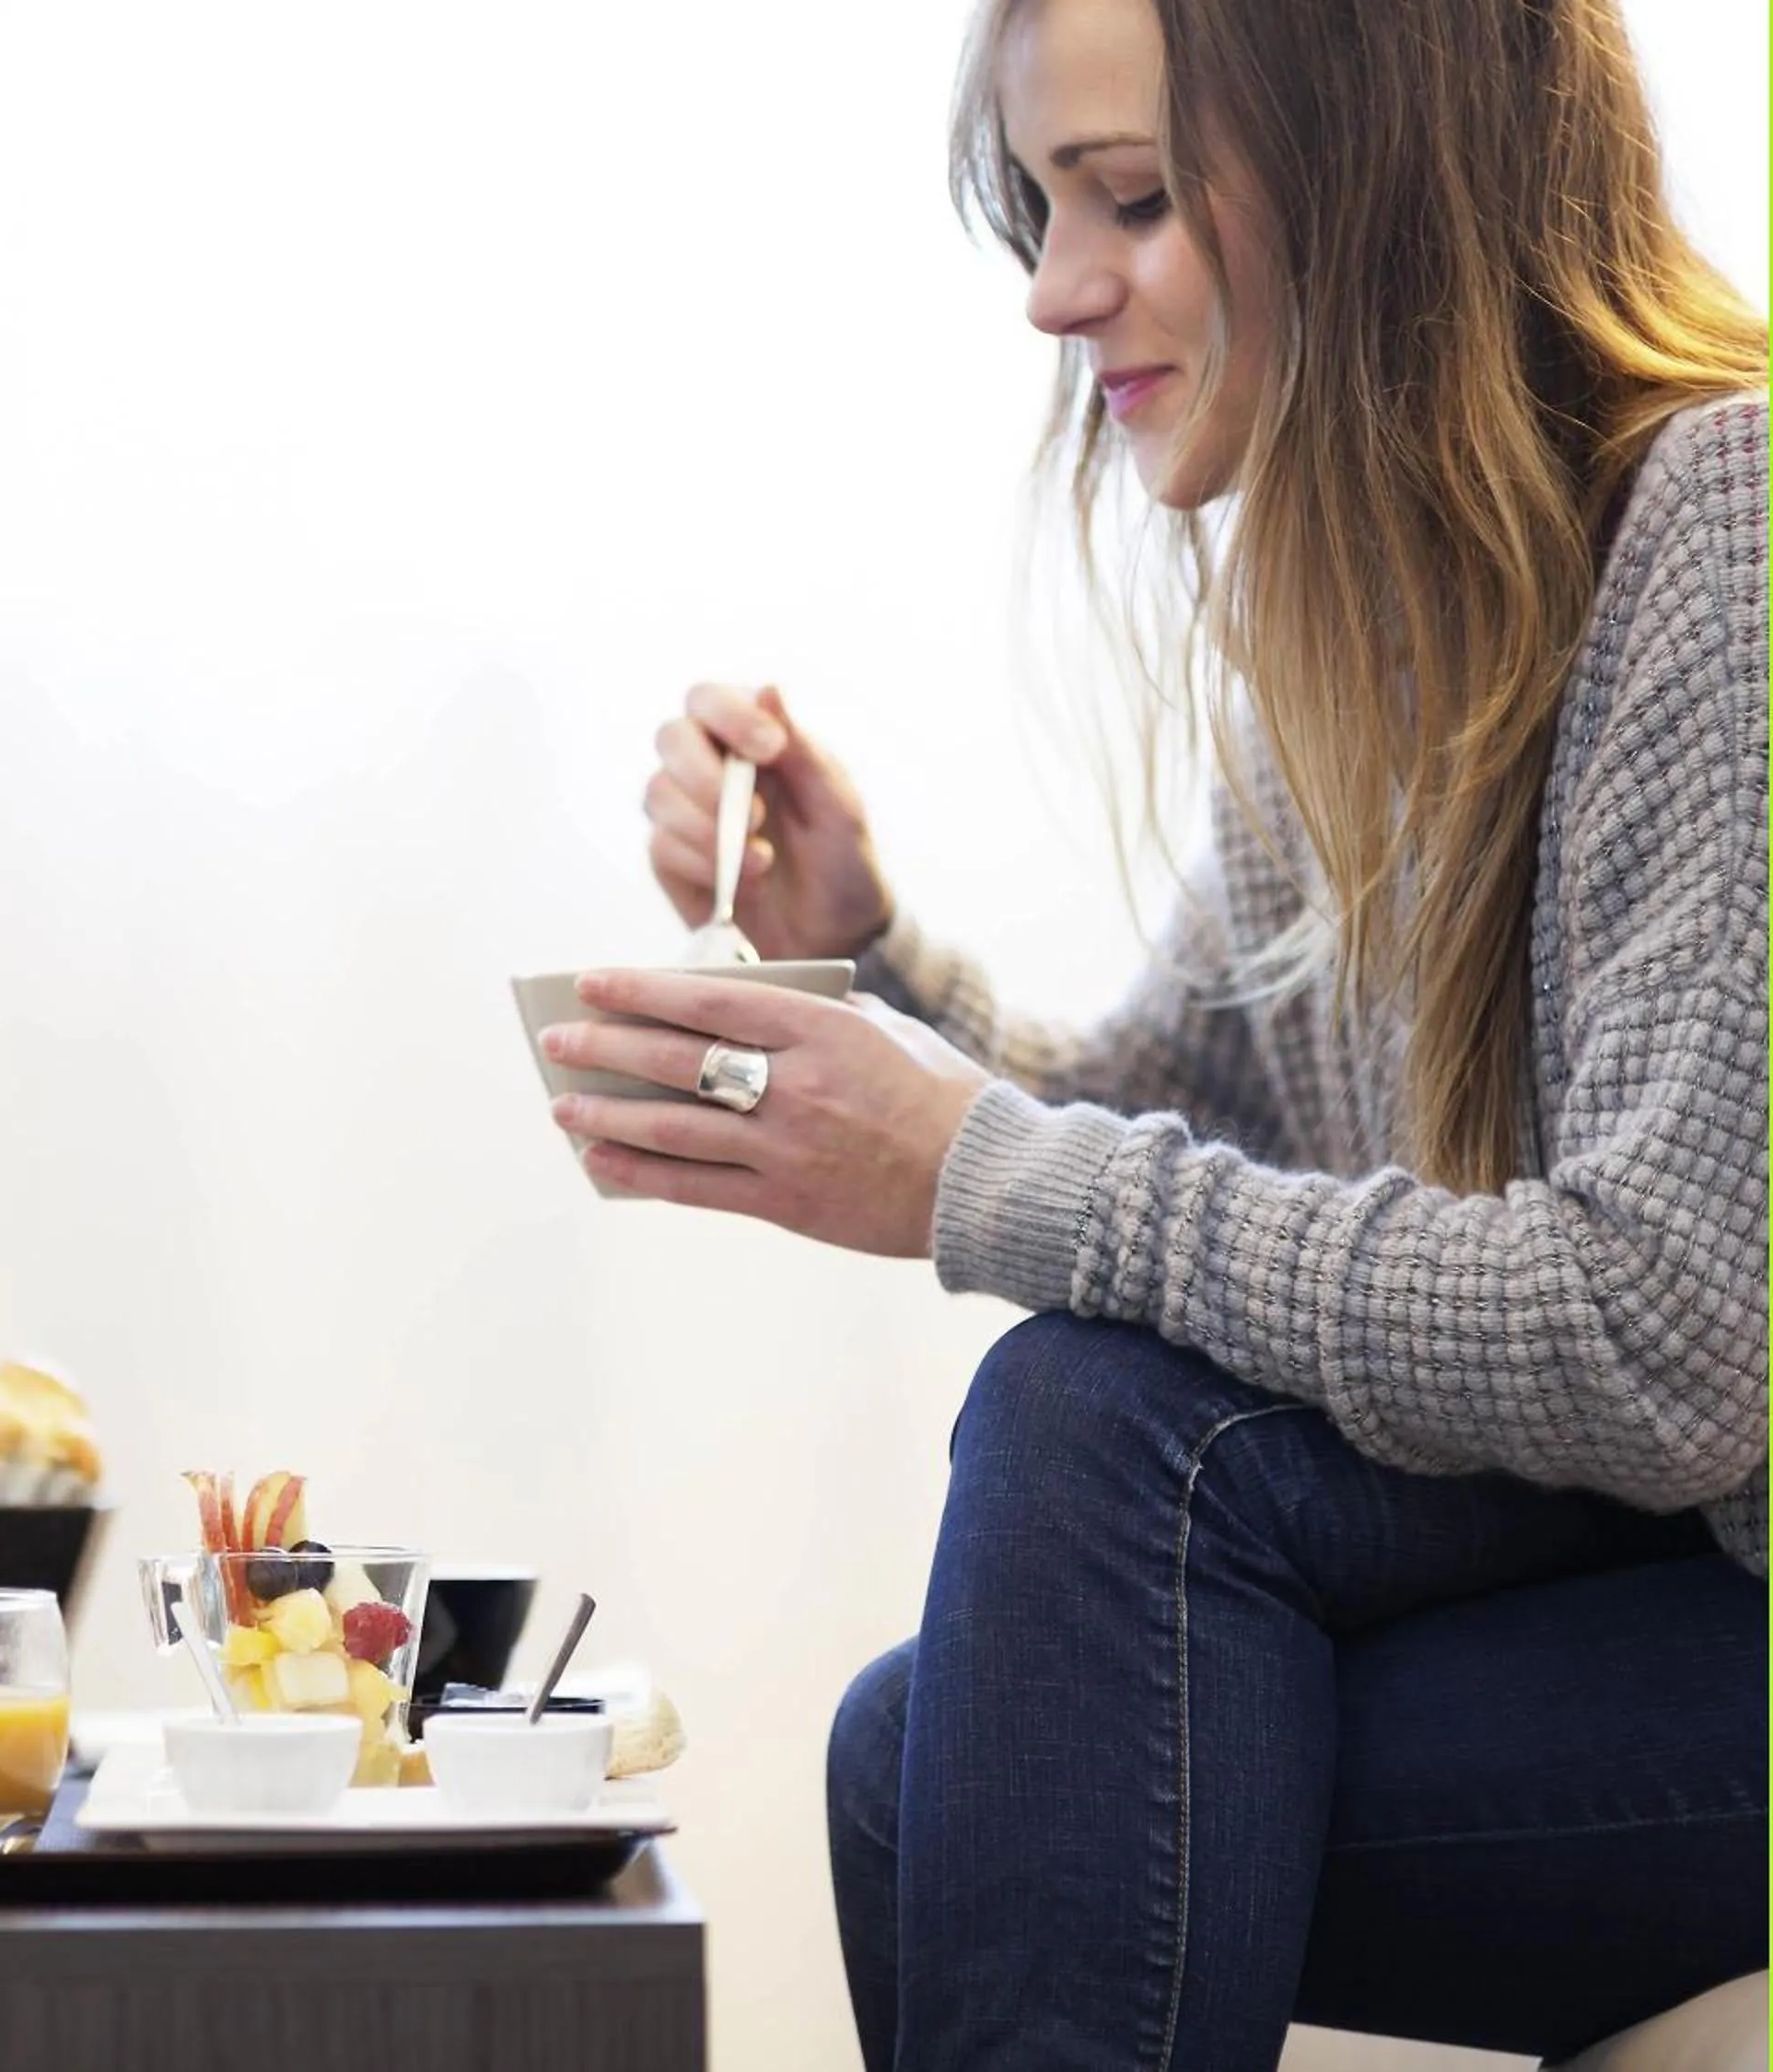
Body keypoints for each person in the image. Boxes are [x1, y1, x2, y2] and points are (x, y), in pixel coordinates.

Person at [536, 0, 1769, 2061]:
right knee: (916, 1747)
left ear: (1390, 172)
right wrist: (871, 957)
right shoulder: (1362, 627)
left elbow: (1672, 1338)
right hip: (1650, 1561)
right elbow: (1202, 1119)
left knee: (1083, 1474)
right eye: (1040, 209)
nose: (1051, 291)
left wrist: (971, 1169)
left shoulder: (1727, 524)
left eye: (1130, 198)